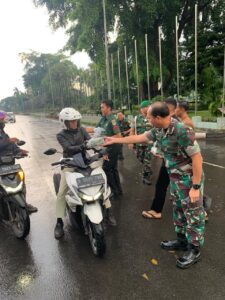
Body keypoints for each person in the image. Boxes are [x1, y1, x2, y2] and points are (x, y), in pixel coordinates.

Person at [104, 102, 205, 269]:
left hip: (188, 180)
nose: (147, 119)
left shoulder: (181, 130)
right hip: (175, 179)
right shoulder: (159, 129)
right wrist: (115, 140)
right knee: (179, 210)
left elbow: (197, 158)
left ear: (158, 118)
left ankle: (194, 249)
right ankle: (182, 241)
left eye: (149, 117)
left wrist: (195, 187)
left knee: (193, 214)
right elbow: (140, 138)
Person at [54, 107, 116, 239]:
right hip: (70, 162)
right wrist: (83, 146)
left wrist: (100, 150)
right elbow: (68, 149)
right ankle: (59, 222)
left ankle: (109, 211)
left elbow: (90, 142)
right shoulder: (60, 135)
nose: (74, 123)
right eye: (71, 121)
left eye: (76, 120)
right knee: (61, 193)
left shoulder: (82, 130)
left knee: (101, 181)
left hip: (85, 160)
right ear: (64, 122)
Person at [142, 98, 177, 219]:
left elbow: (196, 156)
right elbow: (143, 137)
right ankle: (156, 210)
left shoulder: (180, 128)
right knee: (161, 185)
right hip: (167, 163)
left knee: (186, 191)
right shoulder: (161, 127)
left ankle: (201, 209)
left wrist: (197, 183)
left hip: (181, 169)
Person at [0, 111, 38, 214]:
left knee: (20, 179)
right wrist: (9, 141)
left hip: (9, 165)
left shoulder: (3, 133)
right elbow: (6, 143)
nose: (4, 121)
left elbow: (12, 146)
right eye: (2, 119)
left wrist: (20, 151)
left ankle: (23, 203)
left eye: (3, 119)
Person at [94, 100, 123, 199]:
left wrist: (107, 138)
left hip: (113, 147)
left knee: (106, 168)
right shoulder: (103, 119)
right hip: (107, 147)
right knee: (113, 169)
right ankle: (118, 191)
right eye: (101, 107)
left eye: (103, 107)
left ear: (109, 108)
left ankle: (114, 190)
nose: (101, 109)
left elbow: (119, 136)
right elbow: (96, 130)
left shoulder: (112, 120)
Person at [130, 100, 153, 185]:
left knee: (147, 160)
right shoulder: (136, 118)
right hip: (138, 143)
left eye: (147, 107)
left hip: (149, 144)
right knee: (140, 157)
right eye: (144, 107)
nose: (145, 108)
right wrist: (131, 142)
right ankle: (148, 170)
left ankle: (146, 176)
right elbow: (132, 130)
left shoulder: (152, 117)